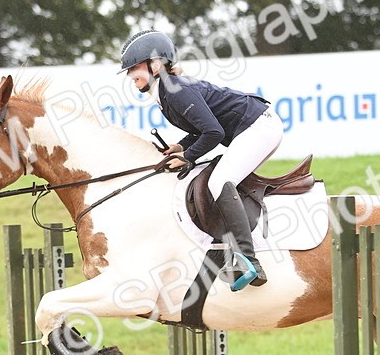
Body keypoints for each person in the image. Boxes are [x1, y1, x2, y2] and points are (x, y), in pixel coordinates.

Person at [119, 29, 283, 290]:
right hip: (250, 128)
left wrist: (188, 157)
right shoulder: (166, 92)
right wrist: (180, 146)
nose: (130, 74)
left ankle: (249, 261)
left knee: (219, 182)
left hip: (259, 127)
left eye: (134, 67)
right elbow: (201, 130)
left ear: (157, 64)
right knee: (215, 179)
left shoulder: (175, 91)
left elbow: (214, 132)